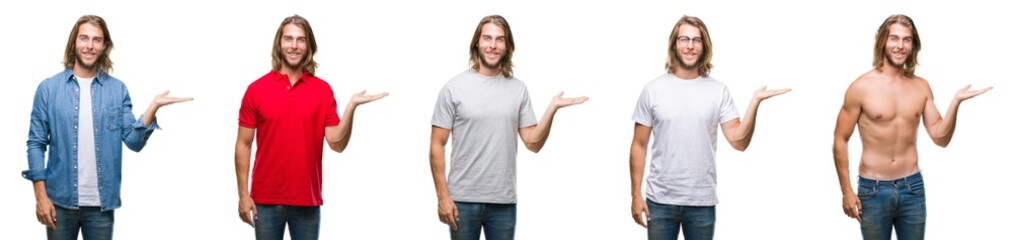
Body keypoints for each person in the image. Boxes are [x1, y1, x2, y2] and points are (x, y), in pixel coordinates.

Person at [24, 15, 193, 240]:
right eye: (84, 38)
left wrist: (153, 108)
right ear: (74, 42)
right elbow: (36, 144)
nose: (89, 45)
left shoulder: (117, 90)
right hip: (59, 202)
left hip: (101, 206)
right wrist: (40, 197)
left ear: (104, 46)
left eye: (97, 40)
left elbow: (134, 142)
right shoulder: (48, 89)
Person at [628, 15, 790, 240]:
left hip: (701, 203)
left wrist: (754, 103)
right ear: (674, 44)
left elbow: (739, 141)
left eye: (697, 40)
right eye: (684, 39)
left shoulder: (718, 91)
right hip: (660, 201)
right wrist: (636, 194)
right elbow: (639, 145)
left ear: (704, 47)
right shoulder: (653, 90)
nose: (690, 46)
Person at [428, 14, 588, 240]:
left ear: (507, 46)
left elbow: (533, 143)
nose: (493, 45)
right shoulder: (454, 88)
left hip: (503, 202)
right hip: (462, 200)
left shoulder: (518, 89)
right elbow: (437, 145)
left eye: (499, 39)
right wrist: (443, 196)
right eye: (487, 38)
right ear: (477, 43)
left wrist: (552, 109)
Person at [832, 14, 991, 240]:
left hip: (912, 188)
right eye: (894, 38)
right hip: (873, 189)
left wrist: (955, 103)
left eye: (907, 40)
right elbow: (840, 139)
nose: (900, 45)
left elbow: (940, 138)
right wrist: (847, 191)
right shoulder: (860, 88)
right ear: (883, 42)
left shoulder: (921, 87)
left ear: (913, 45)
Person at [233, 15, 388, 240]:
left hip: (307, 201)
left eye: (301, 40)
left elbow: (336, 143)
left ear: (309, 46)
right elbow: (243, 144)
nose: (294, 46)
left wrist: (351, 107)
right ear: (279, 43)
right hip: (265, 200)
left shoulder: (322, 91)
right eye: (288, 39)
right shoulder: (256, 89)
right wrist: (243, 194)